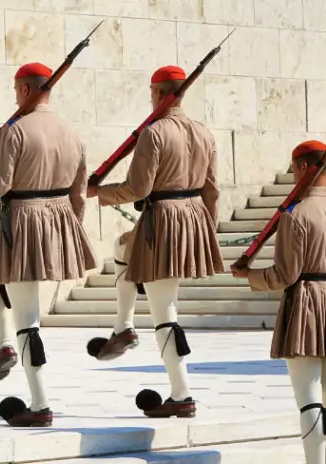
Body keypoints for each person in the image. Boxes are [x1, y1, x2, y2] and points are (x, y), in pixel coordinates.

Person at [0, 62, 98, 427]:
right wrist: (69, 233)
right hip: (59, 221)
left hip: (22, 222)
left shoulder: (14, 131)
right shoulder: (72, 133)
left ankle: (39, 402)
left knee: (27, 318)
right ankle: (2, 344)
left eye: (17, 90)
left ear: (26, 90)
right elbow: (79, 194)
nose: (15, 97)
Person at [87, 65, 224, 418]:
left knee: (165, 311)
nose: (150, 99)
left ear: (160, 94)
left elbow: (137, 189)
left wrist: (97, 192)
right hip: (193, 216)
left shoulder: (155, 133)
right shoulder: (204, 132)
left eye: (151, 93)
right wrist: (206, 228)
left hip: (163, 219)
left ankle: (182, 395)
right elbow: (212, 190)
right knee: (122, 248)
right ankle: (124, 325)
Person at [230, 140, 326, 464]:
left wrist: (249, 275)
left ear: (304, 168)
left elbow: (285, 274)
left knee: (309, 402)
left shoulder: (295, 215)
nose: (292, 175)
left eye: (293, 168)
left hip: (305, 303)